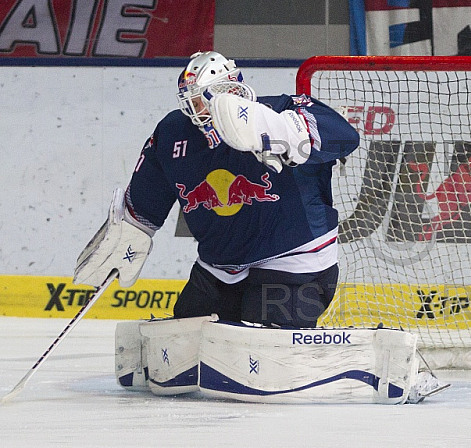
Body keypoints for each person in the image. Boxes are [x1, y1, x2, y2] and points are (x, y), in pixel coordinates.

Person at [74, 51, 360, 329]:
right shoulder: (174, 133)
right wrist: (128, 235)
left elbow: (346, 137)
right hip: (220, 268)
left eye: (203, 100)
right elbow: (144, 205)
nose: (198, 111)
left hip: (296, 262)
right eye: (191, 102)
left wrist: (282, 131)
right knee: (185, 338)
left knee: (263, 341)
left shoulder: (281, 111)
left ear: (231, 92)